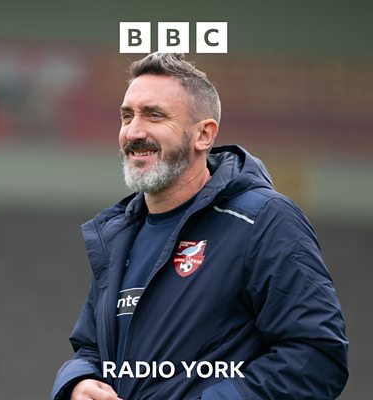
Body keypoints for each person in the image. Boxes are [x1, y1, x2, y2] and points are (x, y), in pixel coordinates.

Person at [50, 53, 348, 400]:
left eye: (154, 115)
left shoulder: (264, 220)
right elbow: (91, 349)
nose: (134, 131)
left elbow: (316, 357)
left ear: (204, 134)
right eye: (127, 116)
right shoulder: (117, 236)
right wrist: (78, 383)